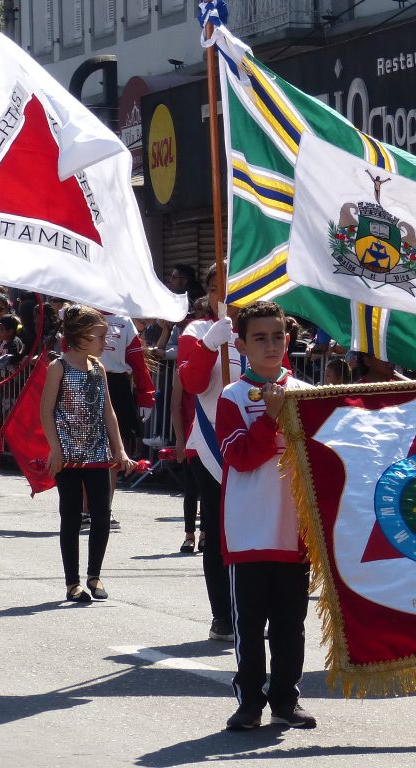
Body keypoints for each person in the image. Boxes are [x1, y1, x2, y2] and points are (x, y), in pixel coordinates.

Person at [216, 300, 315, 731]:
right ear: (241, 344)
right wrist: (271, 417)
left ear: (288, 340)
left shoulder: (309, 394)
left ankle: (286, 700)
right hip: (248, 530)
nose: (270, 345)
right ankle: (249, 702)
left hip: (295, 531)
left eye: (277, 336)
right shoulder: (232, 396)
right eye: (259, 338)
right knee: (250, 627)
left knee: (291, 626)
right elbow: (238, 456)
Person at [41, 306, 136, 602]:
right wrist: (55, 449)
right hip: (68, 455)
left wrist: (118, 450)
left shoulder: (99, 367)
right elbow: (46, 412)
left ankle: (95, 575)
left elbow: (108, 413)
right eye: (100, 336)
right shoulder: (58, 367)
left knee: (101, 515)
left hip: (97, 453)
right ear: (81, 336)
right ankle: (73, 582)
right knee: (69, 516)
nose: (105, 342)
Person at [178, 266, 241, 642]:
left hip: (254, 442)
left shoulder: (257, 327)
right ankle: (223, 614)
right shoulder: (196, 331)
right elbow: (193, 382)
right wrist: (208, 345)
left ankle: (249, 609)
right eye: (220, 288)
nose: (227, 294)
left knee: (253, 532)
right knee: (218, 534)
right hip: (211, 443)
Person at [99, 311, 155, 530]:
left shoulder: (124, 321)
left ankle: (104, 508)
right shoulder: (80, 313)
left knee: (115, 449)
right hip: (85, 381)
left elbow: (137, 362)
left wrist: (146, 396)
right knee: (86, 448)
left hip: (117, 385)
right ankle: (84, 510)